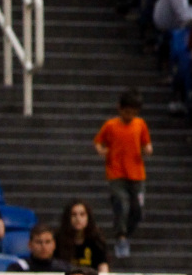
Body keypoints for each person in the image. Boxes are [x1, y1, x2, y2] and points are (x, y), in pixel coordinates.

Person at [93, 89, 151, 259]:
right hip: (116, 172)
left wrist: (147, 149)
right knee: (122, 204)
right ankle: (121, 236)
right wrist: (101, 150)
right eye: (127, 112)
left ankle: (126, 231)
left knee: (137, 210)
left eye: (133, 112)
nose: (130, 115)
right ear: (120, 109)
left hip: (137, 173)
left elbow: (146, 143)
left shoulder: (140, 124)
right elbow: (98, 141)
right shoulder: (110, 125)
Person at [56, 201, 109, 272]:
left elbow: (103, 266)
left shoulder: (96, 240)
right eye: (73, 215)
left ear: (88, 217)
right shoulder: (58, 239)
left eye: (82, 214)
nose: (78, 218)